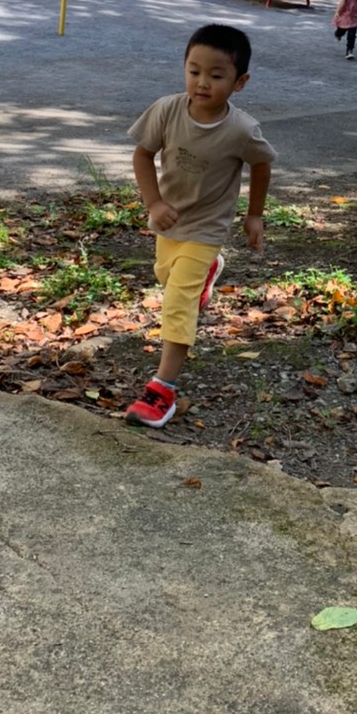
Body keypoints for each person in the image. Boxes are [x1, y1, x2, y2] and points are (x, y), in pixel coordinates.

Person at [125, 23, 276, 429]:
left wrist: (254, 214)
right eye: (194, 71)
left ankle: (162, 390)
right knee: (166, 276)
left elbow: (262, 164)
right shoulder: (167, 110)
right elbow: (142, 155)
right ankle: (208, 273)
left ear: (240, 82)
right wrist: (154, 203)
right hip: (171, 220)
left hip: (208, 228)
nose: (202, 82)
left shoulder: (241, 130)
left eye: (216, 75)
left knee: (178, 302)